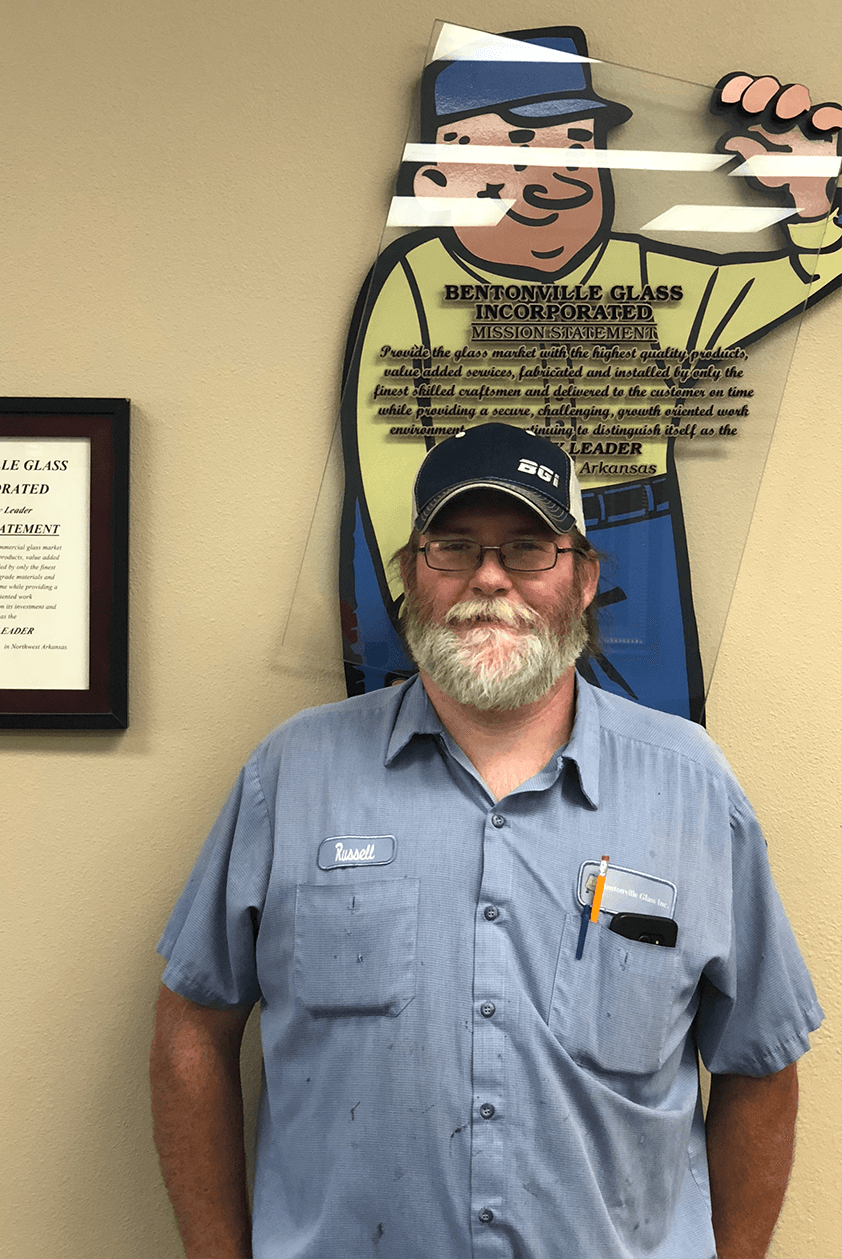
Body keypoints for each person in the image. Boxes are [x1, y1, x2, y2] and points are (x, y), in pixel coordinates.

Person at [150, 421, 822, 1259]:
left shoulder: (692, 786)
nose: (490, 577)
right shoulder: (291, 774)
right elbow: (191, 1033)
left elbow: (759, 1061)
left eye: (529, 548)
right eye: (455, 546)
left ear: (583, 580)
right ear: (410, 575)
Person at [339, 24, 842, 716]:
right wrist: (410, 617)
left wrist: (814, 203)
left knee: (656, 746)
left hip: (637, 534)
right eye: (511, 150)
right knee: (459, 732)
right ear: (433, 180)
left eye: (573, 147)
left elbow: (805, 269)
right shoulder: (416, 277)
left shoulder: (641, 275)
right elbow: (384, 456)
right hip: (474, 541)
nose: (551, 179)